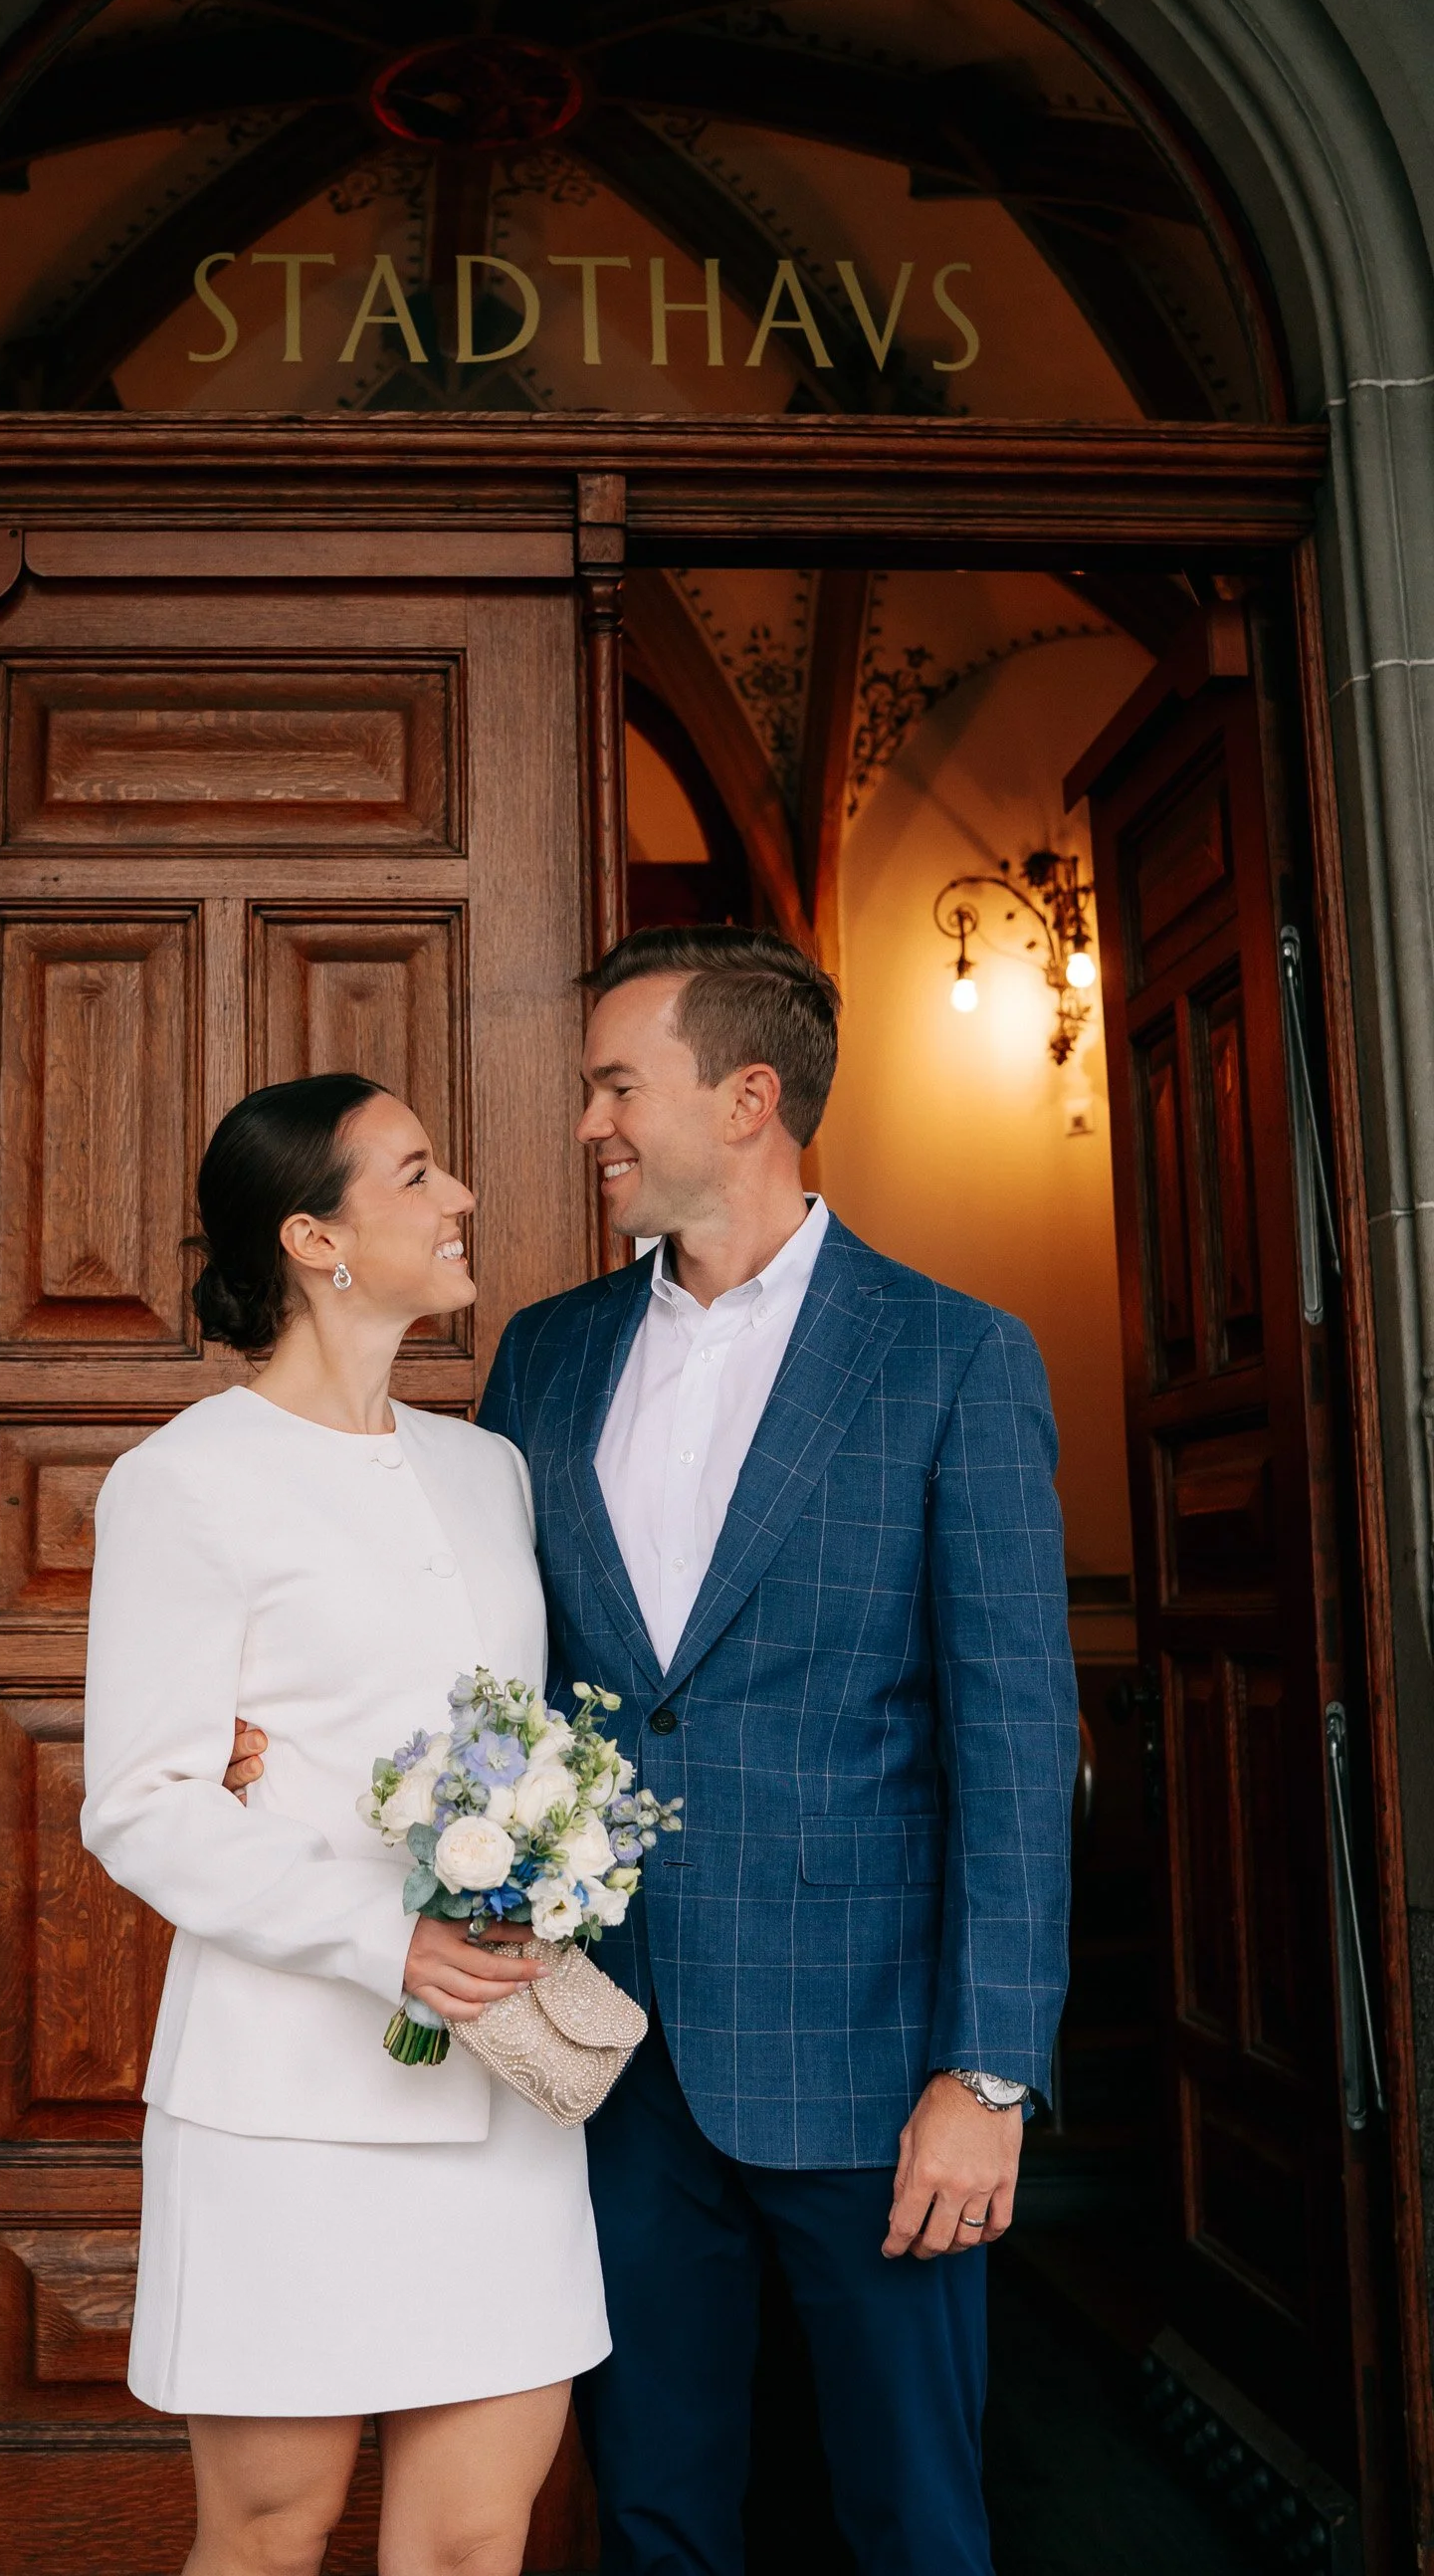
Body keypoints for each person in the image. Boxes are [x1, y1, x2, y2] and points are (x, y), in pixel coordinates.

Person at [225, 928, 1078, 2576]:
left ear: (748, 1097)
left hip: (866, 2062)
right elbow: (476, 1641)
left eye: (621, 1084)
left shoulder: (952, 1354)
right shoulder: (548, 1351)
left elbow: (1017, 1737)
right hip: (598, 2054)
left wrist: (987, 2073)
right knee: (654, 2510)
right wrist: (292, 1733)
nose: (591, 1122)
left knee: (911, 2514)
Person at [82, 1073, 609, 2576]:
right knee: (269, 2529)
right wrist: (386, 1933)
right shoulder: (183, 1483)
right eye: (420, 1174)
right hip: (286, 2103)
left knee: (471, 2539)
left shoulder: (489, 1470)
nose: (459, 1201)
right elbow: (141, 1803)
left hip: (503, 2098)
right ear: (316, 1237)